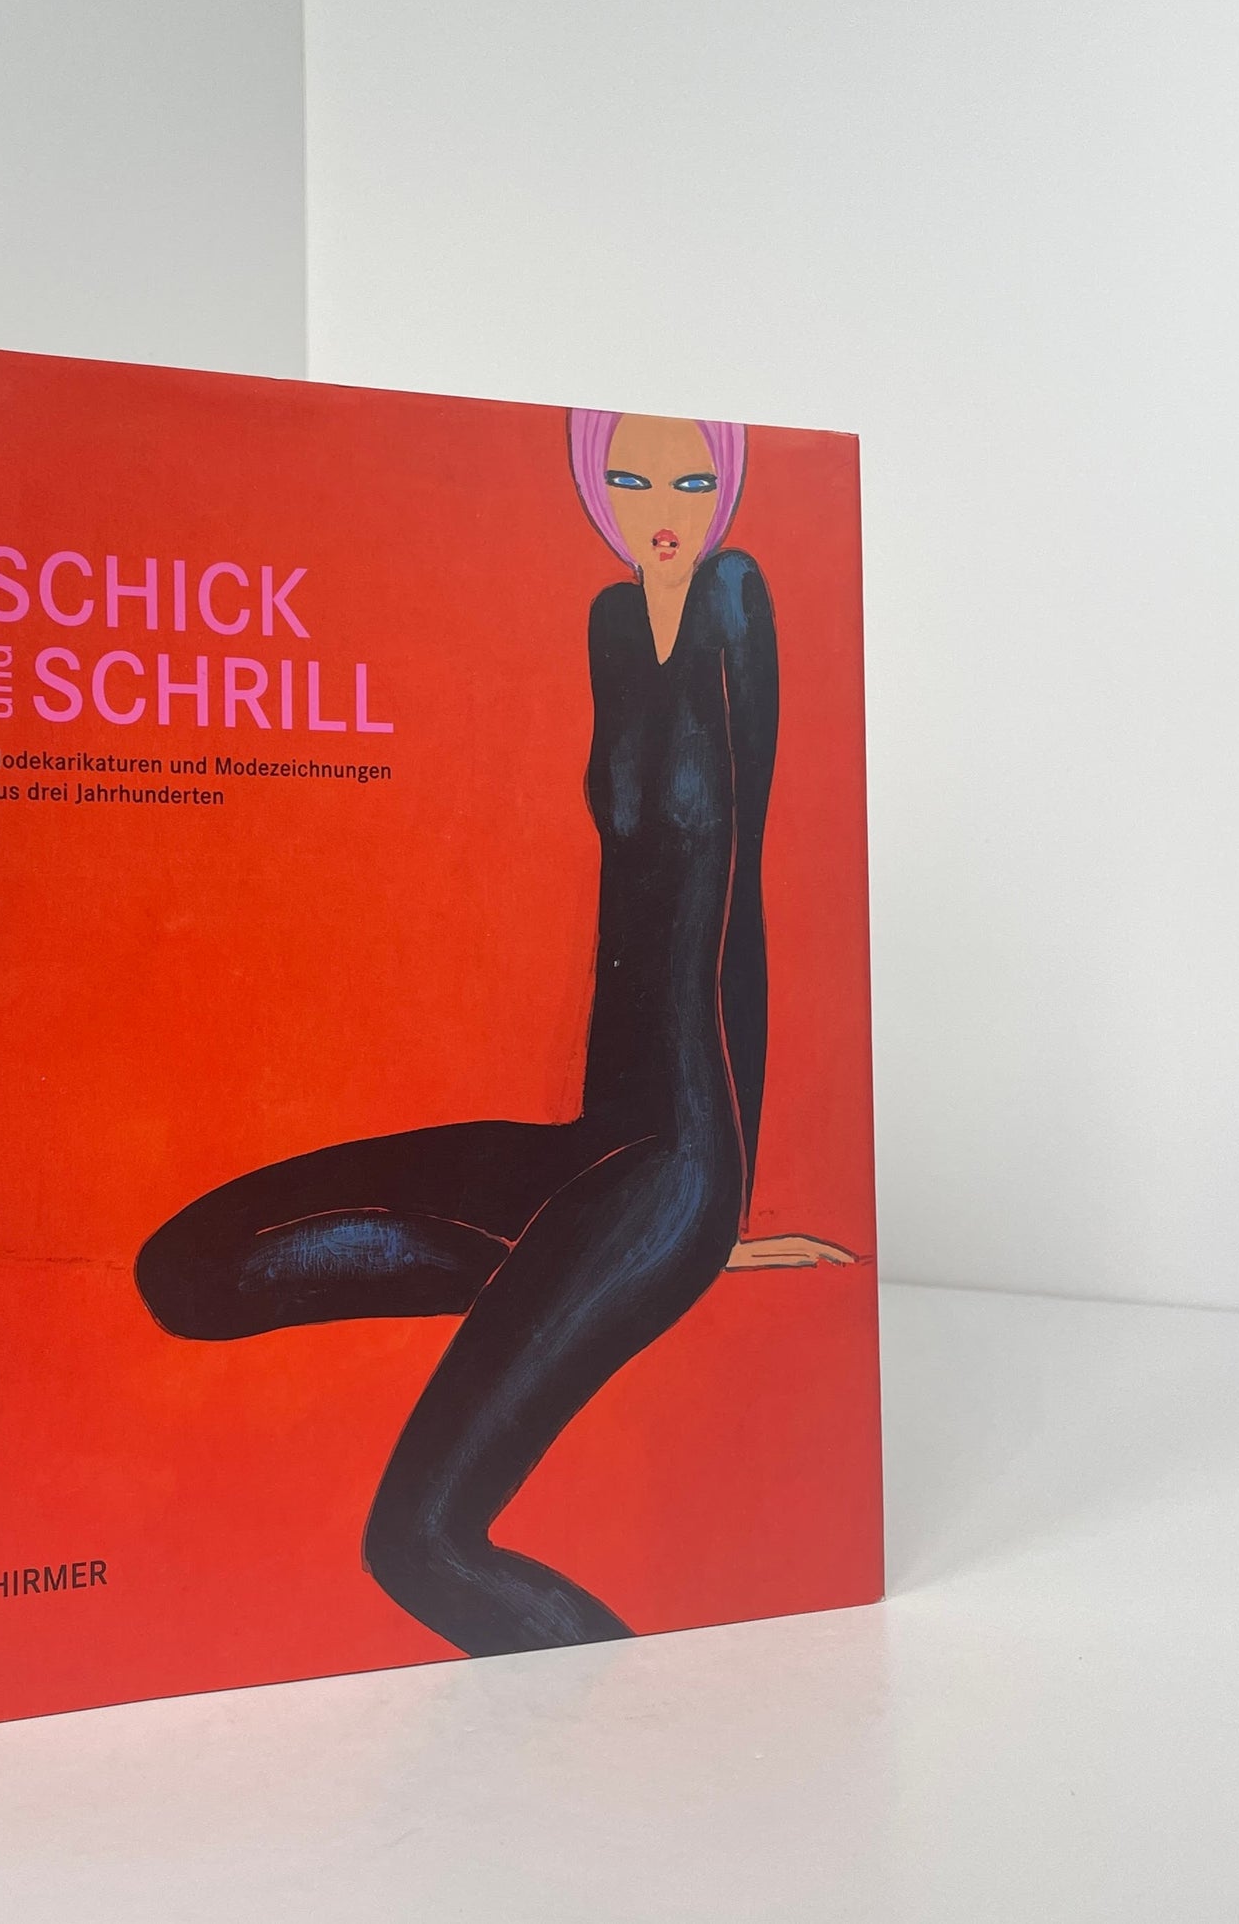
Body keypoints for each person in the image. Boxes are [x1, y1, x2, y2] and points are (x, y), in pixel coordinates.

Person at [135, 410, 852, 1656]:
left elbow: (734, 907)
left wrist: (715, 1217)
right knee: (188, 1272)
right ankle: (554, 1282)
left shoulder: (736, 601)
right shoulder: (611, 623)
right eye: (629, 478)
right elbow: (627, 895)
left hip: (677, 1170)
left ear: (728, 487)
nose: (662, 509)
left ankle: (622, 1717)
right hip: (594, 1143)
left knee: (419, 1542)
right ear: (592, 485)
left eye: (692, 479)